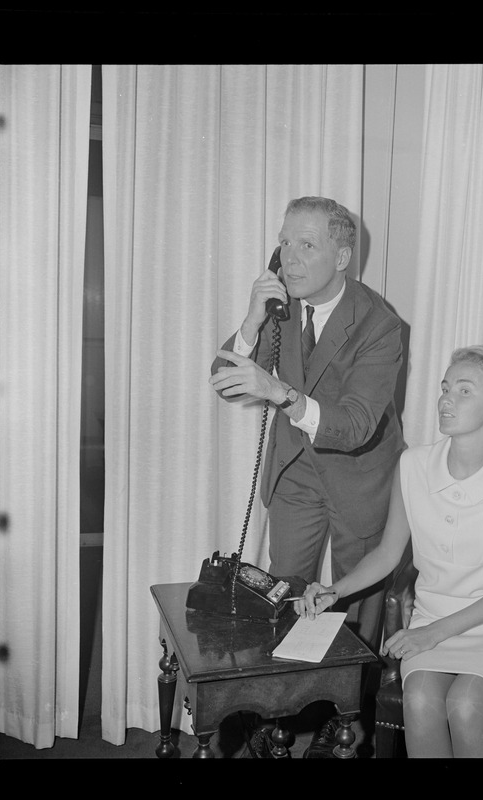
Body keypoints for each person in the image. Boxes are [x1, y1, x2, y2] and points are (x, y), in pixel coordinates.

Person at [209, 196, 406, 757]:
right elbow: (222, 380)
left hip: (359, 472)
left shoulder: (380, 325)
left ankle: (346, 722)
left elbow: (356, 425)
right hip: (297, 469)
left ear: (342, 256)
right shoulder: (279, 308)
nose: (290, 259)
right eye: (285, 242)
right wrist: (251, 318)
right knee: (284, 590)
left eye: (307, 245)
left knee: (354, 603)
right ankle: (280, 713)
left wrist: (282, 393)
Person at [298, 345, 483, 758]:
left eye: (464, 391)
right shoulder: (412, 466)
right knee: (418, 701)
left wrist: (428, 634)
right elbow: (387, 553)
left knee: (466, 705)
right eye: (445, 388)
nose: (446, 399)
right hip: (431, 622)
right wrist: (335, 590)